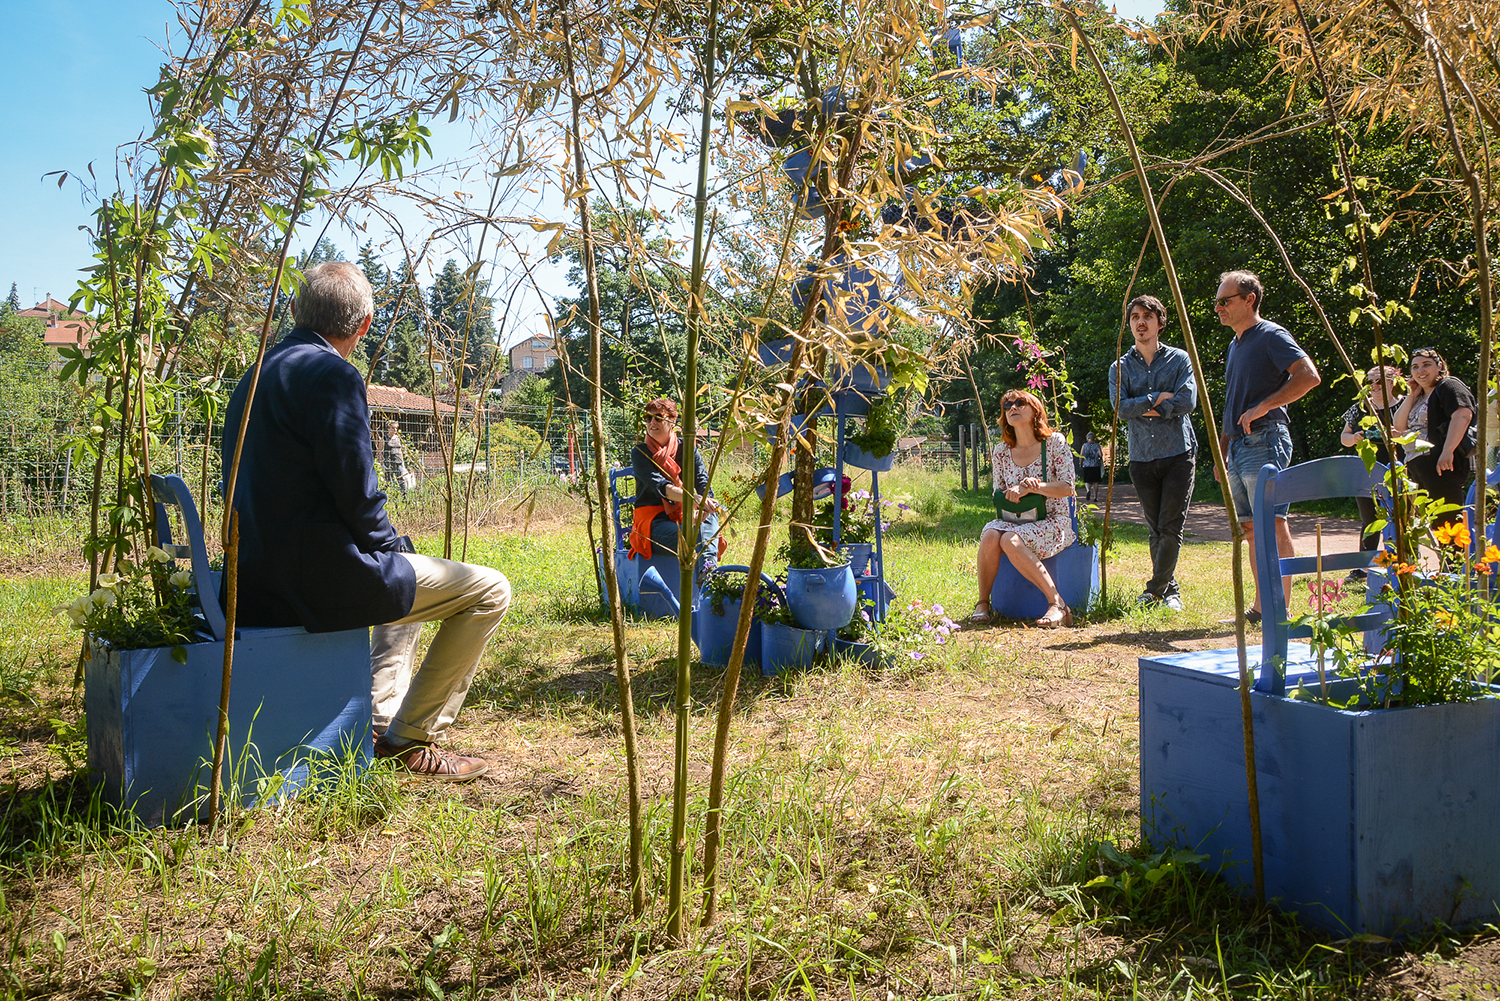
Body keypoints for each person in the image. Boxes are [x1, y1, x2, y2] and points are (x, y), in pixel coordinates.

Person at [222, 262, 511, 781]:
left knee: (405, 569)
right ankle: (414, 735)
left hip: (253, 574)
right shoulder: (332, 374)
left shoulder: (257, 372)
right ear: (365, 324)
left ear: (295, 310)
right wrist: (389, 545)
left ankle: (378, 722)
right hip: (314, 580)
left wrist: (391, 548)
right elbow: (356, 492)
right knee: (489, 589)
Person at [1213, 270, 1321, 623]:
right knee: (1250, 528)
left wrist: (1266, 405)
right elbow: (1234, 401)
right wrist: (1223, 449)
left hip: (1266, 439)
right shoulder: (1236, 344)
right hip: (1240, 446)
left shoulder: (1271, 334)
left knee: (1272, 523)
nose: (1218, 308)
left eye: (1225, 301)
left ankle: (1281, 609)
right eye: (1217, 302)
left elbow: (1308, 376)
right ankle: (1262, 609)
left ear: (1249, 300)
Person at [1108, 294, 1199, 611]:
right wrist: (1159, 398)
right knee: (1156, 529)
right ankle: (1170, 590)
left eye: (1147, 316)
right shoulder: (1120, 366)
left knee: (1171, 524)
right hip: (1141, 457)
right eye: (1134, 317)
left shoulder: (1179, 360)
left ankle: (1155, 590)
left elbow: (1187, 402)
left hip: (1178, 453)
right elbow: (1121, 408)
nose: (1140, 322)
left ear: (1160, 322)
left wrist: (1142, 405)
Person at [970, 389, 1077, 628]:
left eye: (1020, 403)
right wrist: (1010, 494)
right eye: (1007, 406)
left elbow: (1068, 488)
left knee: (1010, 541)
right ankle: (983, 603)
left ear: (1035, 411)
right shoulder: (1001, 452)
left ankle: (1057, 604)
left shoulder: (1054, 443)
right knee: (989, 535)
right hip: (1014, 520)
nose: (1013, 408)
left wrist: (1035, 487)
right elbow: (998, 492)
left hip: (1052, 520)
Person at [628, 397, 724, 573]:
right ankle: (710, 576)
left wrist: (704, 508)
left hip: (686, 516)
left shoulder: (687, 449)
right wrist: (692, 499)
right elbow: (661, 486)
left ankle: (708, 571)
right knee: (697, 536)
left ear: (672, 420)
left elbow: (703, 481)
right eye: (648, 418)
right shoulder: (640, 452)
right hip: (653, 523)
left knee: (714, 510)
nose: (652, 422)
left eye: (658, 417)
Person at [1394, 348, 1475, 531]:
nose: (1420, 370)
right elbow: (1399, 426)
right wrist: (1412, 394)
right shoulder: (1419, 396)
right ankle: (1447, 560)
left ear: (1439, 366)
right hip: (1419, 467)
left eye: (1426, 365)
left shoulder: (1448, 385)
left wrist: (1447, 451)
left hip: (1442, 465)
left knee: (1449, 524)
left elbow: (1462, 415)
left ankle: (1458, 560)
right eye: (1415, 367)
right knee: (1435, 527)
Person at [1339, 364, 1404, 573]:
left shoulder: (1403, 406)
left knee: (1399, 517)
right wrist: (1355, 437)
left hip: (1397, 469)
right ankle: (1363, 567)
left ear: (1392, 382)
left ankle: (1398, 565)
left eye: (1379, 380)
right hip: (1365, 472)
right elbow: (1344, 438)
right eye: (1370, 381)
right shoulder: (1360, 408)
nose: (1374, 385)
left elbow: (1413, 435)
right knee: (1370, 519)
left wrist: (1398, 435)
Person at [382, 420, 410, 498]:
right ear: (388, 428)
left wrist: (403, 462)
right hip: (388, 462)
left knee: (402, 480)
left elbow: (400, 450)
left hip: (399, 461)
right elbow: (380, 451)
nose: (395, 429)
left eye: (396, 428)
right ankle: (390, 498)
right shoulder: (385, 438)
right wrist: (382, 463)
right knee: (389, 481)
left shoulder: (398, 438)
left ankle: (404, 497)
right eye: (393, 428)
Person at [1079, 433, 1103, 503]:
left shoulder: (1084, 445)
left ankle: (1088, 490)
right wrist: (1099, 459)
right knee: (1095, 482)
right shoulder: (1097, 445)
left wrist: (1081, 464)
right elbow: (1101, 454)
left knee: (1087, 481)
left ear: (1087, 438)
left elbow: (1081, 455)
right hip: (1095, 465)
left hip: (1087, 465)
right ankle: (1095, 497)